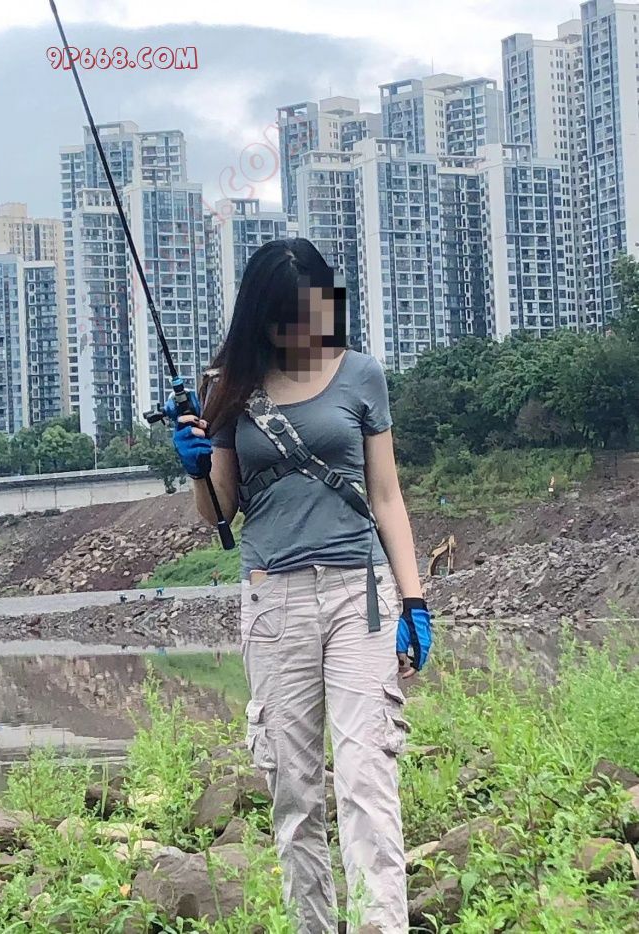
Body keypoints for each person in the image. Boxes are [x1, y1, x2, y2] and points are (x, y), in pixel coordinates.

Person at [167, 238, 432, 934]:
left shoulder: (362, 374)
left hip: (359, 595)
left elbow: (387, 495)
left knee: (368, 779)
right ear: (260, 318)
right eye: (287, 320)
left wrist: (414, 600)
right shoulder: (229, 386)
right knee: (294, 792)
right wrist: (197, 465)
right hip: (274, 600)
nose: (304, 332)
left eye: (313, 314)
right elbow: (219, 511)